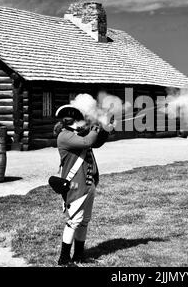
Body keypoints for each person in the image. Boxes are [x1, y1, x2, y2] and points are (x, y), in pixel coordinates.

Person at [54, 104, 109, 266]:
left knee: (84, 221)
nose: (83, 122)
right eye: (80, 120)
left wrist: (104, 129)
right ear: (72, 121)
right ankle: (64, 259)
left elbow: (96, 142)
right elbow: (87, 141)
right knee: (73, 221)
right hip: (75, 185)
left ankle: (79, 256)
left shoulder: (76, 134)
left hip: (88, 183)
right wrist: (96, 128)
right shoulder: (65, 136)